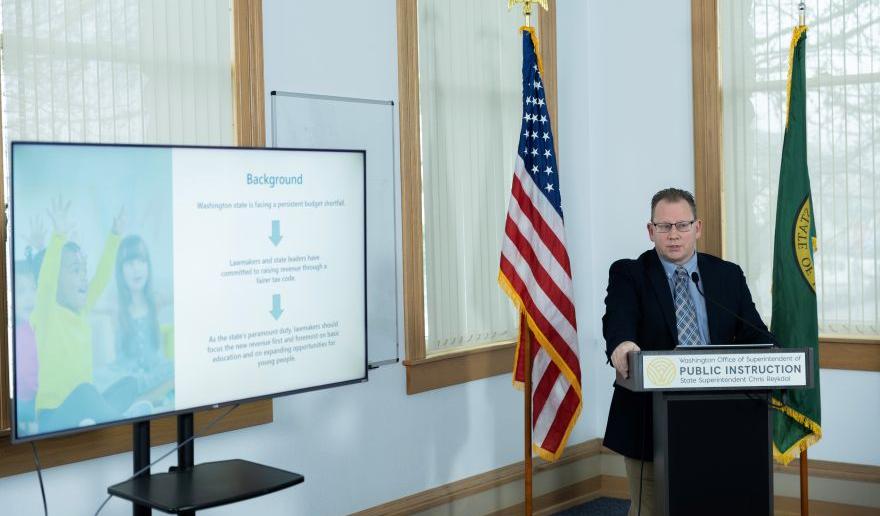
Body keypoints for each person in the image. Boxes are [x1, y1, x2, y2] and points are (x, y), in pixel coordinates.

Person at [602, 188, 769, 516]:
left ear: (698, 228)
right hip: (650, 419)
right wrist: (622, 344)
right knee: (651, 508)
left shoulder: (727, 275)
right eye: (664, 227)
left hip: (722, 418)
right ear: (651, 231)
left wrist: (775, 354)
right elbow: (617, 319)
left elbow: (754, 331)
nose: (674, 234)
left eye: (682, 225)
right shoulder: (629, 274)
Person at [31, 197, 130, 432]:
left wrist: (115, 236)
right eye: (76, 271)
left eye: (84, 270)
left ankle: (99, 415)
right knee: (87, 391)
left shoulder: (82, 311)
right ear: (56, 279)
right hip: (52, 413)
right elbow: (46, 280)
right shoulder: (46, 313)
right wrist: (59, 237)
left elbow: (102, 277)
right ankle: (113, 416)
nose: (85, 277)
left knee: (127, 384)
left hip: (82, 405)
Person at [114, 234, 173, 403]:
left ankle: (146, 400)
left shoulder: (155, 301)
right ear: (121, 270)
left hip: (156, 375)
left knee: (179, 367)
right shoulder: (117, 310)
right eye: (130, 263)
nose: (136, 268)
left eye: (142, 261)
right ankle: (151, 399)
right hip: (131, 380)